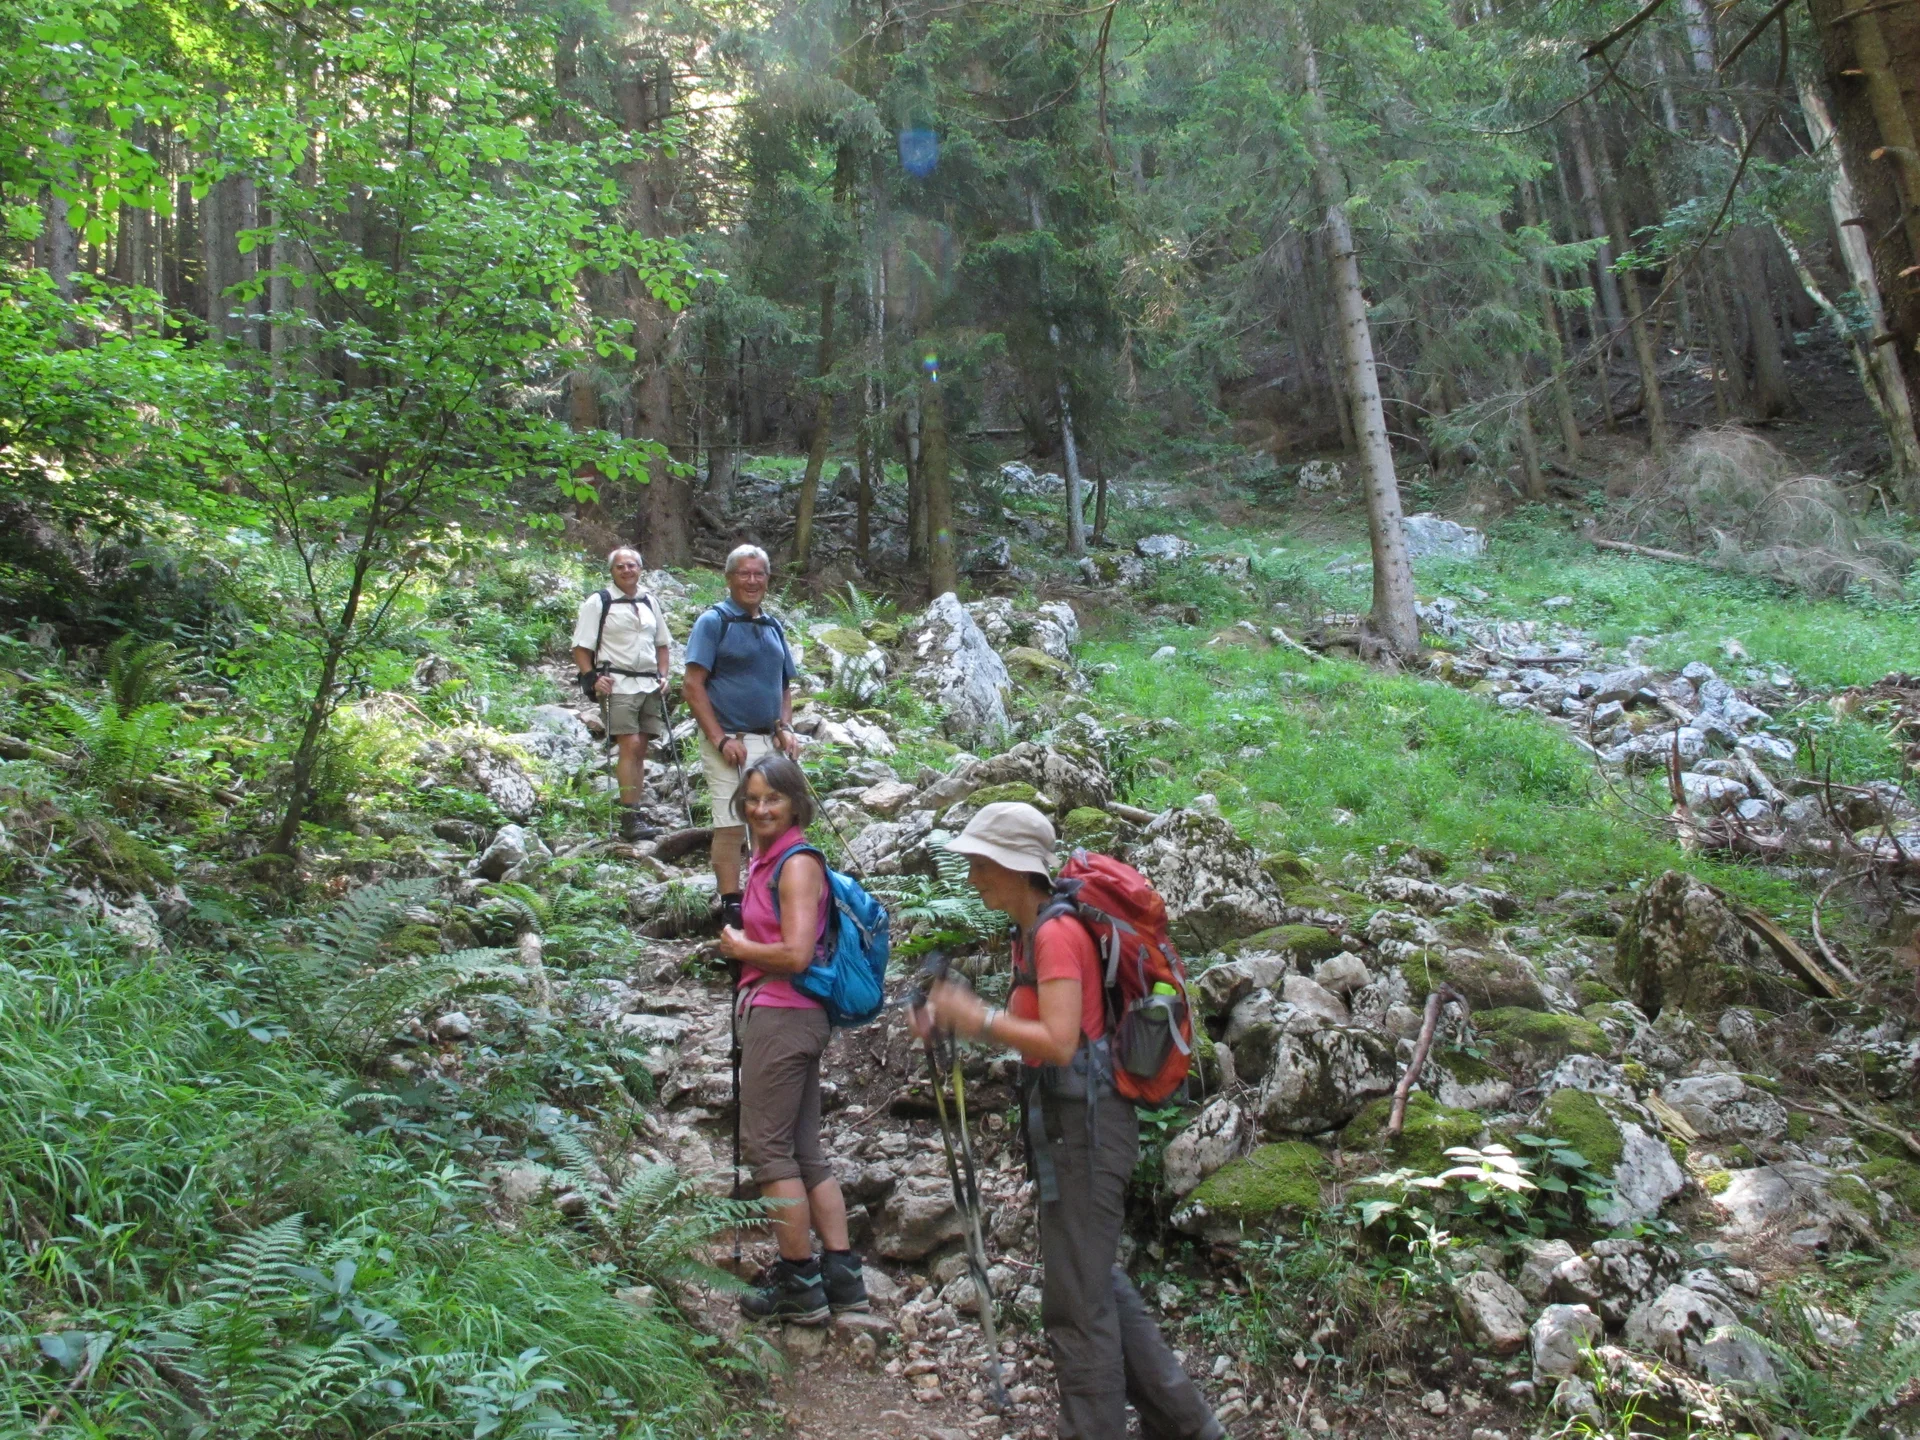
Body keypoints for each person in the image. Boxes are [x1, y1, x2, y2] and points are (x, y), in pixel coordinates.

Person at [911, 802, 1224, 1440]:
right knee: (1095, 1281)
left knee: (1076, 1306)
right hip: (1070, 1127)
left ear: (1012, 866)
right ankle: (1188, 1428)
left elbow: (1057, 1041)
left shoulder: (1056, 933)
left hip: (1087, 1129)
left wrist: (976, 1020)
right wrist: (952, 1013)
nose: (970, 874)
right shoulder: (1033, 929)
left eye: (978, 862)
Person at [716, 753, 867, 1322]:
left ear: (796, 803)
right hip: (795, 1016)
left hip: (783, 1015)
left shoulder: (796, 864)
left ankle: (799, 1283)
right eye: (752, 799)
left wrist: (739, 949)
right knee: (804, 1150)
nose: (760, 808)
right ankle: (842, 1277)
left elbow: (797, 954)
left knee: (768, 1150)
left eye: (771, 798)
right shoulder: (768, 859)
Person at [682, 544, 800, 929]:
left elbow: (783, 686)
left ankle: (771, 892)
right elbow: (693, 685)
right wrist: (719, 739)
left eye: (759, 574)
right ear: (729, 577)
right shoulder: (713, 622)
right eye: (744, 573)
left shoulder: (772, 625)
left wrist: (784, 726)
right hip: (728, 741)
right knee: (731, 822)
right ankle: (732, 903)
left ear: (768, 578)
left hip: (768, 740)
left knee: (773, 819)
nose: (752, 581)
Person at [571, 547, 672, 842]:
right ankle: (630, 816)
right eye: (620, 567)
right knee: (630, 744)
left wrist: (663, 675)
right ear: (612, 571)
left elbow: (662, 644)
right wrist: (591, 678)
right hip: (617, 684)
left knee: (640, 748)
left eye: (632, 565)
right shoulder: (598, 602)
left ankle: (635, 809)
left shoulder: (649, 601)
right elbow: (581, 646)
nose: (627, 570)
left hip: (647, 684)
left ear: (640, 568)